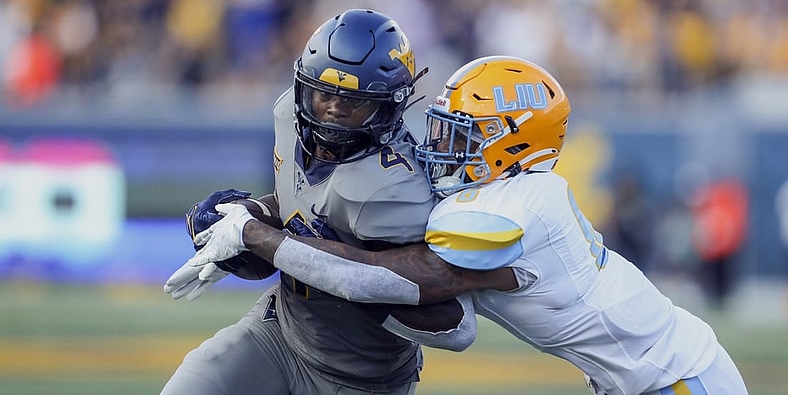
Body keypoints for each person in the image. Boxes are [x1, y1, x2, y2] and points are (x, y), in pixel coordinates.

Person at [190, 55, 749, 395]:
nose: (438, 146)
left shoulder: (516, 207)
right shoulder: (500, 192)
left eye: (461, 133)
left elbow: (403, 279)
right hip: (637, 376)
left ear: (513, 142)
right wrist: (261, 209)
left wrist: (263, 238)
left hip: (673, 379)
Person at [161, 9, 477, 395]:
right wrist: (246, 217)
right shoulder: (287, 116)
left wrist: (331, 268)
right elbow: (295, 204)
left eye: (354, 102)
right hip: (281, 334)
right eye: (324, 92)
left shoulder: (396, 187)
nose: (332, 108)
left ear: (389, 106)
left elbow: (450, 321)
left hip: (363, 376)